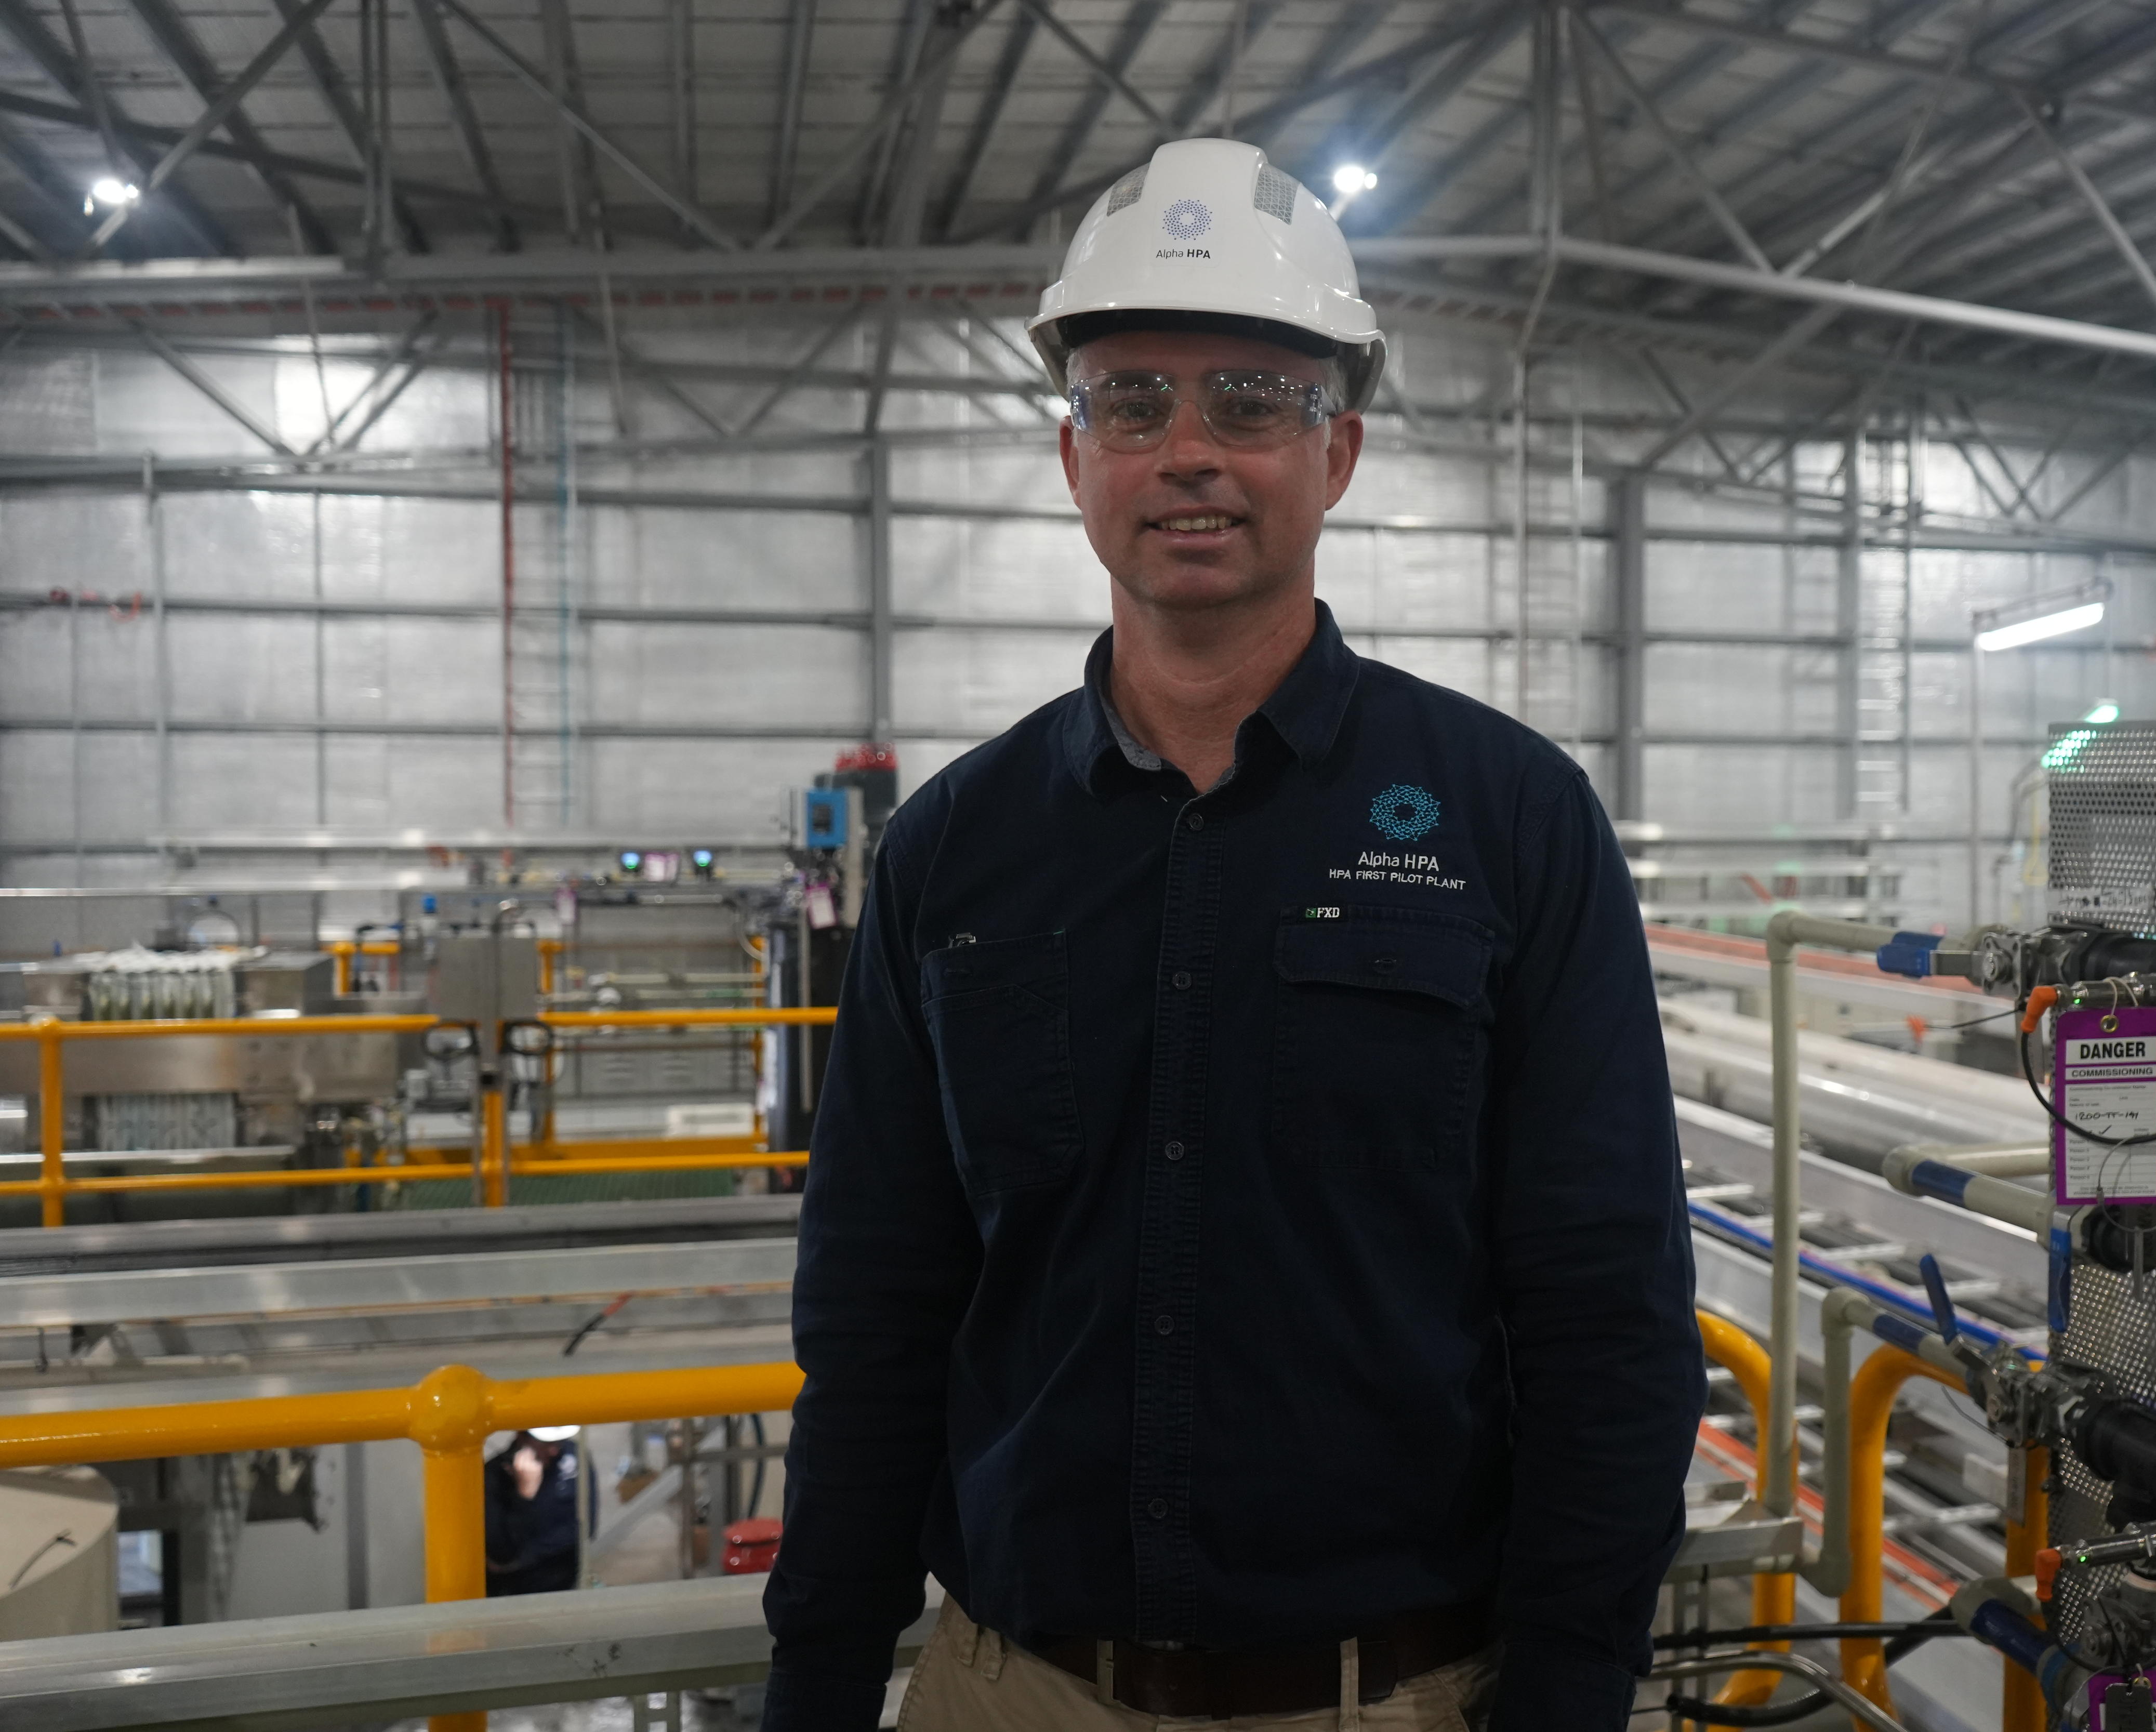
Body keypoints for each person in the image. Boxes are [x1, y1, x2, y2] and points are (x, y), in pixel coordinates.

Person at [761, 137, 1702, 1732]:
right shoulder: (950, 853)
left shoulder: (1509, 823)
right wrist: (821, 1675)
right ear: (1075, 459)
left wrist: (1567, 1684)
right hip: (1015, 1689)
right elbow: (876, 1310)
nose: (1187, 451)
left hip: (1401, 1696)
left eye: (1249, 402)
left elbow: (1604, 1311)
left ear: (1335, 451)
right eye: (1133, 401)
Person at [484, 1429, 578, 1597]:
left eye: (560, 1441)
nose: (554, 1450)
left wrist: (524, 1559)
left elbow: (582, 1528)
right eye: (546, 1443)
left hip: (561, 1583)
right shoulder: (494, 1477)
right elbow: (502, 1554)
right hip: (512, 1592)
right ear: (521, 1437)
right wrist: (525, 1495)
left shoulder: (573, 1458)